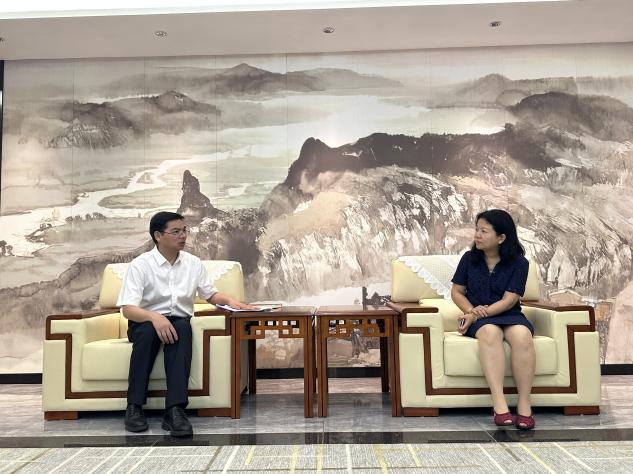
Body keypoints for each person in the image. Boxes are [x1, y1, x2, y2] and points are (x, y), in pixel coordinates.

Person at [117, 211, 254, 436]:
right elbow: (128, 309)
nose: (183, 236)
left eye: (184, 231)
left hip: (178, 321)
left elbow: (210, 295)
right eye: (176, 232)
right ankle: (134, 407)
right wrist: (155, 317)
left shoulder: (193, 263)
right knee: (149, 332)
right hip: (144, 322)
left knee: (182, 327)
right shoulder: (140, 265)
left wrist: (231, 302)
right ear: (158, 236)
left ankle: (175, 410)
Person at [450, 209, 536, 430]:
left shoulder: (519, 263)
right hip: (480, 318)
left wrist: (475, 314)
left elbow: (509, 300)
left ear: (501, 237)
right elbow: (457, 292)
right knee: (490, 332)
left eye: (484, 231)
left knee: (522, 335)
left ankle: (524, 404)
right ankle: (499, 404)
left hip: (509, 314)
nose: (477, 235)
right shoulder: (469, 259)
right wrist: (471, 311)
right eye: (477, 229)